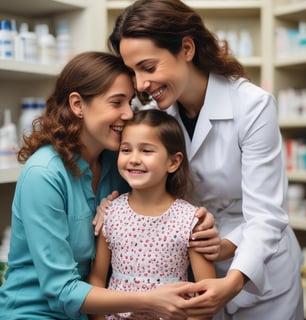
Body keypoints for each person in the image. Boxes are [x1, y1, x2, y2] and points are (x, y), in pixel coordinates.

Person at [107, 1, 304, 319]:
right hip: (193, 268)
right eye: (133, 72)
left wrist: (232, 273)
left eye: (148, 67)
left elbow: (267, 215)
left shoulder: (251, 106)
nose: (141, 85)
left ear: (186, 48)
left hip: (260, 272)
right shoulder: (154, 115)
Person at [0, 51, 205, 320]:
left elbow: (154, 214)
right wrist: (149, 300)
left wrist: (199, 226)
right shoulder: (44, 174)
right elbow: (60, 291)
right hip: (35, 313)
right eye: (117, 102)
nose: (128, 113)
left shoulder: (117, 164)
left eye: (129, 102)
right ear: (77, 105)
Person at [88, 109, 217, 320]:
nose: (134, 159)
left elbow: (207, 296)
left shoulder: (191, 221)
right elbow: (97, 279)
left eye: (147, 151)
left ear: (173, 162)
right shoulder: (111, 213)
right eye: (126, 149)